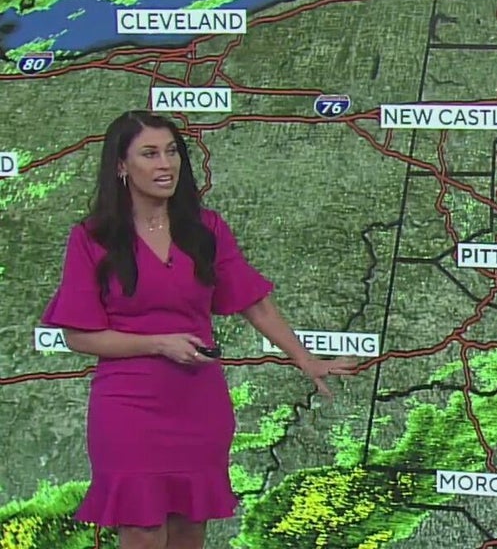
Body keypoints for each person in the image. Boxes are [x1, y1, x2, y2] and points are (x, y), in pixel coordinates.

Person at [39, 110, 358, 549]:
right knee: (143, 529)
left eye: (172, 152)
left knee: (190, 529)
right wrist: (158, 344)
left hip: (198, 403)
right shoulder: (93, 238)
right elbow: (78, 336)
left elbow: (254, 302)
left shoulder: (205, 230)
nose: (165, 164)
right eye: (150, 154)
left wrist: (306, 359)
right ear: (121, 165)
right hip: (129, 407)